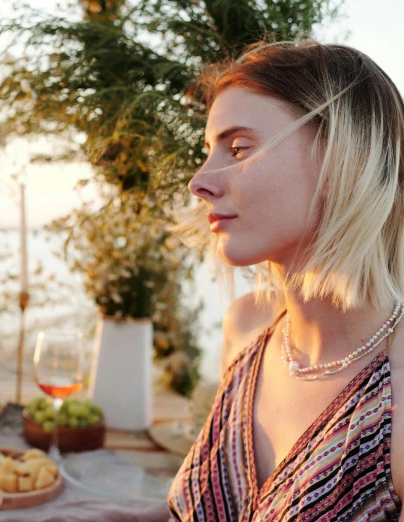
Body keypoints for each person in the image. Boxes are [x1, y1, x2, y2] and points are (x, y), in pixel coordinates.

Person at [168, 42, 404, 521]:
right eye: (207, 150)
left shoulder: (395, 394)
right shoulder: (248, 326)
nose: (199, 180)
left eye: (237, 148)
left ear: (344, 154)